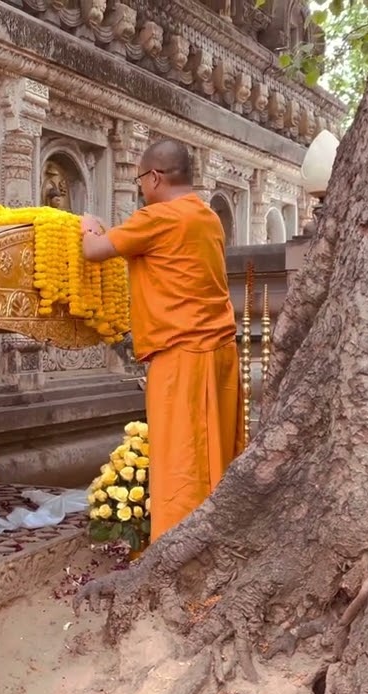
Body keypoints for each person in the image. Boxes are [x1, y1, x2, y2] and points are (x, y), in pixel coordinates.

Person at [80, 139, 243, 544]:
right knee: (217, 453)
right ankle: (220, 538)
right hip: (221, 351)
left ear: (154, 177)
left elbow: (94, 250)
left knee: (182, 458)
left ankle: (179, 548)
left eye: (140, 180)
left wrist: (86, 223)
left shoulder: (158, 217)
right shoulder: (207, 217)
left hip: (182, 355)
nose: (140, 189)